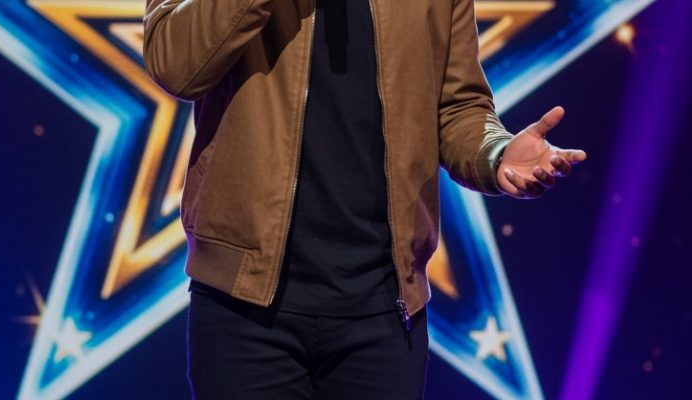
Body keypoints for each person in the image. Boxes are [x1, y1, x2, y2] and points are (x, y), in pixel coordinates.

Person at [143, 0, 586, 398]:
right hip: (245, 306)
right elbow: (176, 64)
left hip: (382, 309)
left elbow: (456, 105)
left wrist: (496, 153)